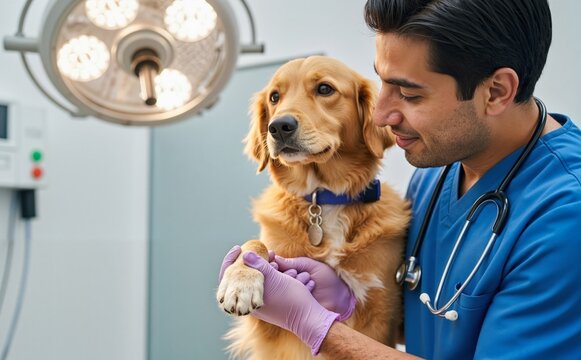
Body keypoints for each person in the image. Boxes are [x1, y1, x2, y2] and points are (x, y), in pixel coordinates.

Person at [218, 0, 581, 358]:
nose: (379, 115)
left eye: (409, 94)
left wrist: (316, 327)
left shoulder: (565, 216)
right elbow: (442, 321)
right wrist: (347, 300)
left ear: (497, 91)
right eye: (383, 82)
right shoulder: (437, 173)